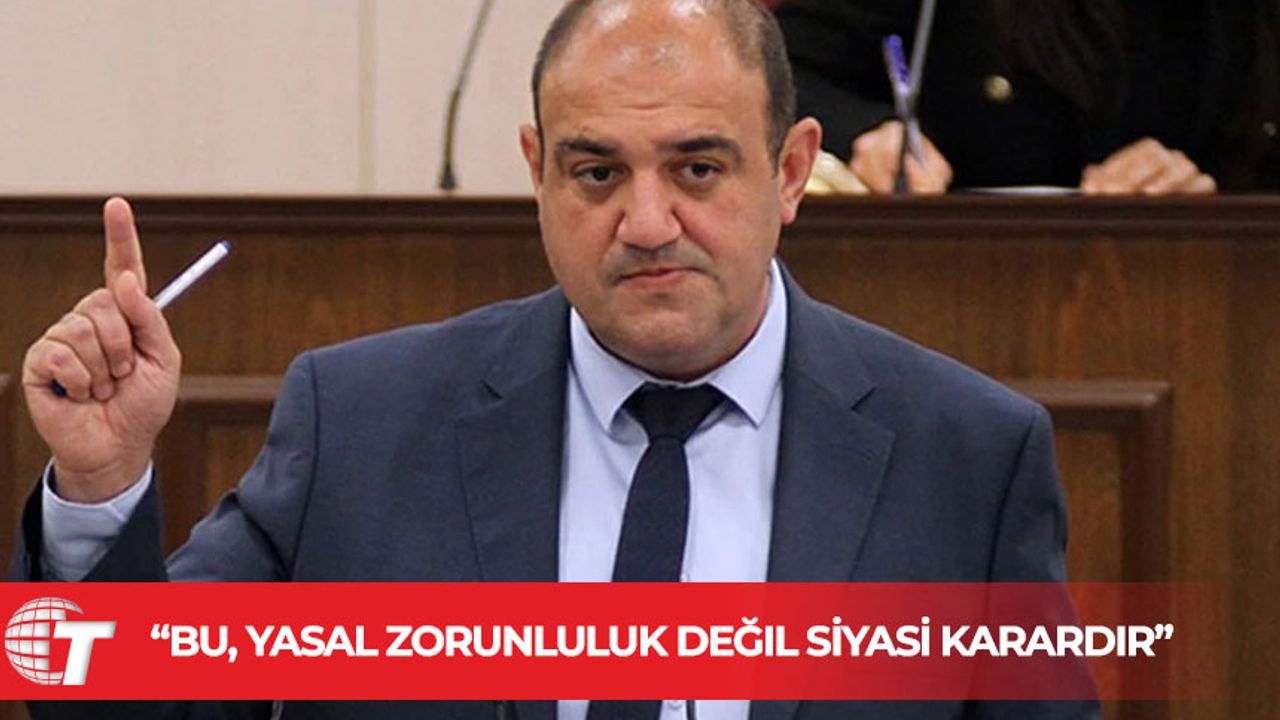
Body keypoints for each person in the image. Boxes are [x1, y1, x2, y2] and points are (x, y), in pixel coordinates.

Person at [13, 1, 1094, 718]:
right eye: (595, 172)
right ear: (536, 170)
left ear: (791, 171)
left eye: (698, 168)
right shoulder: (363, 423)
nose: (646, 223)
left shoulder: (966, 456)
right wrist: (101, 488)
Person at [774, 0, 1280, 194]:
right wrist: (873, 133)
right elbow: (779, 66)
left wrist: (1200, 185)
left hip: (1187, 288)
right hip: (956, 279)